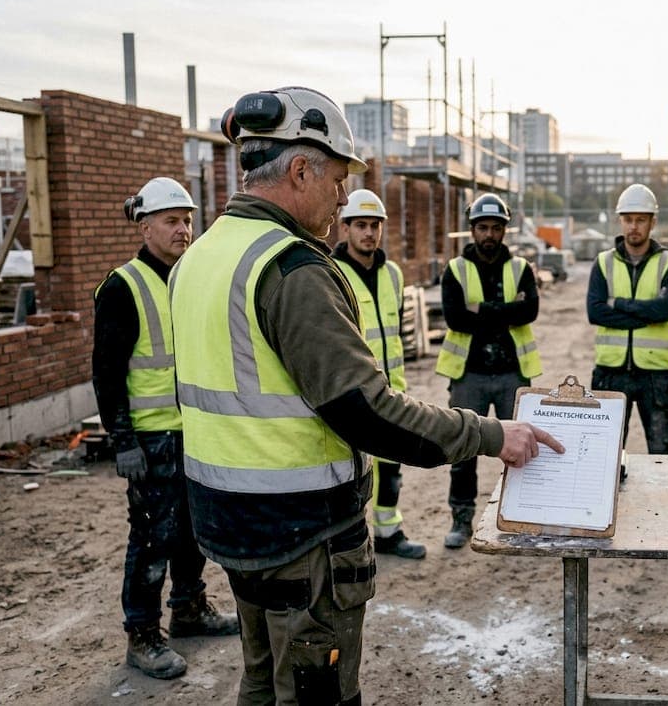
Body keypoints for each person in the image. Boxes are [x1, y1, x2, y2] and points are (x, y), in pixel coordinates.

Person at [169, 86, 562, 705]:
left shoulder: (201, 256)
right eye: (337, 179)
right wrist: (490, 435)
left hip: (229, 522)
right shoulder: (290, 268)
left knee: (261, 681)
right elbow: (366, 412)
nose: (343, 196)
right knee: (315, 692)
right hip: (300, 533)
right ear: (300, 169)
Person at [92, 177, 239, 680]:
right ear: (145, 224)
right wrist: (123, 440)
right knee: (153, 537)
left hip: (194, 430)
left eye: (188, 220)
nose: (184, 230)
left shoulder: (190, 277)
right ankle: (142, 635)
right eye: (173, 221)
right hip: (153, 438)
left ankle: (190, 608)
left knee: (193, 532)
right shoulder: (122, 286)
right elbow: (106, 372)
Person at [435, 191, 543, 548]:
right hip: (470, 375)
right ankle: (461, 519)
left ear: (505, 231)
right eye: (483, 227)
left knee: (521, 449)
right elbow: (456, 319)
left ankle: (520, 516)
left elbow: (530, 312)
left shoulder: (521, 269)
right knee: (464, 449)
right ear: (472, 230)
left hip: (513, 373)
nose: (489, 235)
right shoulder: (455, 270)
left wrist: (480, 309)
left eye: (496, 228)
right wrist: (506, 309)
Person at [331, 189, 426, 559]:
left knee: (391, 468)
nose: (369, 233)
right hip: (350, 391)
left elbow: (396, 336)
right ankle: (348, 544)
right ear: (345, 228)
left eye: (375, 226)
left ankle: (388, 532)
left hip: (391, 389)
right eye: (361, 225)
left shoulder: (394, 275)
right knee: (349, 472)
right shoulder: (332, 272)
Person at [587, 183, 668, 463]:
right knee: (606, 455)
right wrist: (645, 312)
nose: (634, 227)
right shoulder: (603, 263)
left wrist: (617, 303)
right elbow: (595, 312)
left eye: (641, 220)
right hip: (611, 372)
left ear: (653, 221)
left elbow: (665, 310)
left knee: (663, 455)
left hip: (656, 374)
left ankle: (663, 508)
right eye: (628, 219)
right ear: (620, 221)